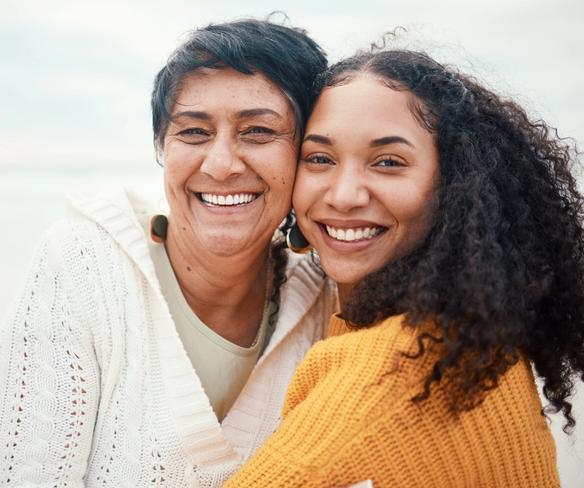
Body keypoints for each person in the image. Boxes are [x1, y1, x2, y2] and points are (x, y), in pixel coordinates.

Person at [224, 48, 584, 487]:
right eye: (320, 158)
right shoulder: (470, 336)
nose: (344, 195)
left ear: (454, 186)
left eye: (388, 162)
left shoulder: (398, 366)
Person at [0, 19, 337, 487]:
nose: (220, 165)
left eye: (258, 131)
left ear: (309, 153)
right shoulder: (83, 266)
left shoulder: (330, 301)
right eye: (194, 132)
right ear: (162, 145)